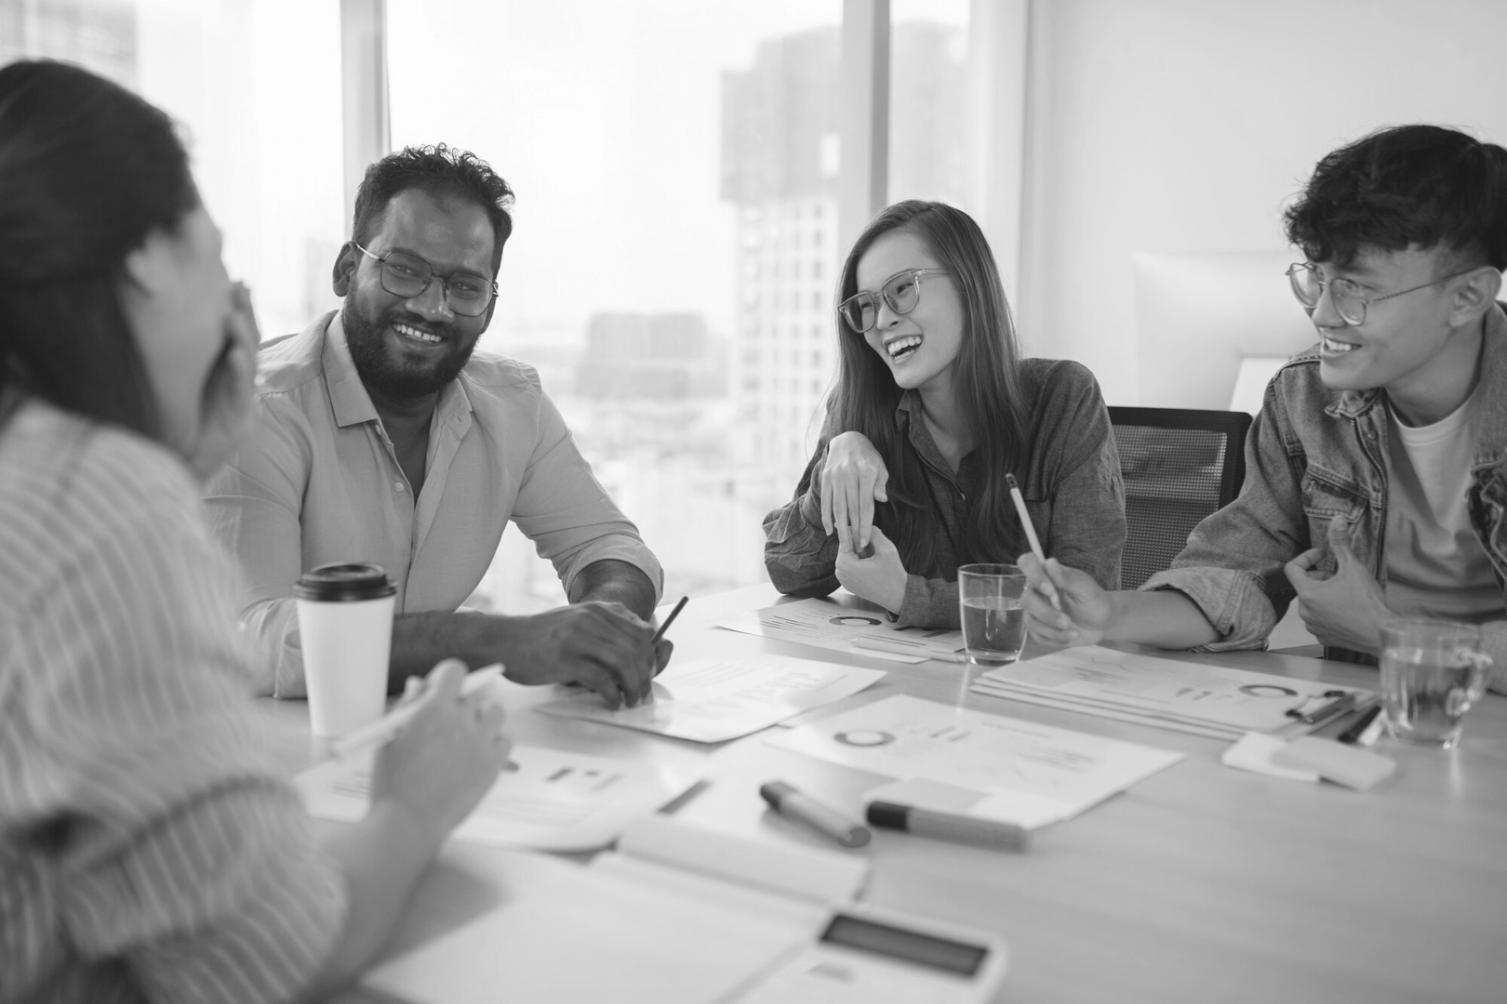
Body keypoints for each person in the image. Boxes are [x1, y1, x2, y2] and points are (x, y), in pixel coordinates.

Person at [0, 60, 510, 1003]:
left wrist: (181, 464)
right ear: (146, 261)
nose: (235, 296)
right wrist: (414, 805)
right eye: (214, 252)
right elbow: (271, 958)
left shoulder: (44, 471)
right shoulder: (93, 501)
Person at [1021, 124, 1507, 694]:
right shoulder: (1304, 397)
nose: (1322, 314)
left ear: (1468, 296)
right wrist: (1109, 614)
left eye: (1356, 289)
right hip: (1361, 709)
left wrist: (1387, 634)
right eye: (1317, 278)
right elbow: (1236, 573)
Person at [204, 145, 667, 709]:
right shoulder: (258, 411)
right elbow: (252, 637)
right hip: (265, 742)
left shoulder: (513, 403)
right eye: (404, 271)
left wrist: (606, 624)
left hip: (426, 733)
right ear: (347, 270)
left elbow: (606, 542)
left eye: (465, 286)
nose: (432, 307)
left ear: (488, 308)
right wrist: (494, 641)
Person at [763, 200, 1125, 628]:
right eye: (867, 305)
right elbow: (788, 571)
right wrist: (835, 465)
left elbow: (1084, 601)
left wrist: (908, 596)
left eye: (903, 289)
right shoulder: (860, 408)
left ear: (970, 285)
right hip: (894, 670)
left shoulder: (1063, 399)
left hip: (1032, 669)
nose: (882, 321)